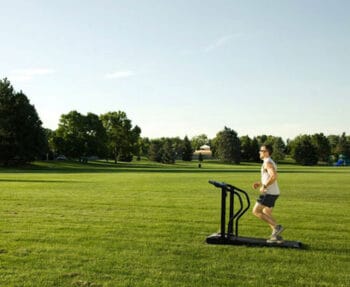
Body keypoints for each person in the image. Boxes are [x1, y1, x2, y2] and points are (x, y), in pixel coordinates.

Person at [252, 144, 284, 242]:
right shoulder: (268, 162)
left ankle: (277, 227)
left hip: (268, 193)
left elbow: (273, 176)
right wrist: (260, 183)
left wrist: (265, 186)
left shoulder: (268, 162)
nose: (259, 152)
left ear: (266, 152)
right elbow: (268, 176)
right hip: (274, 192)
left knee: (256, 211)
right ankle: (275, 236)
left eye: (261, 150)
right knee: (266, 212)